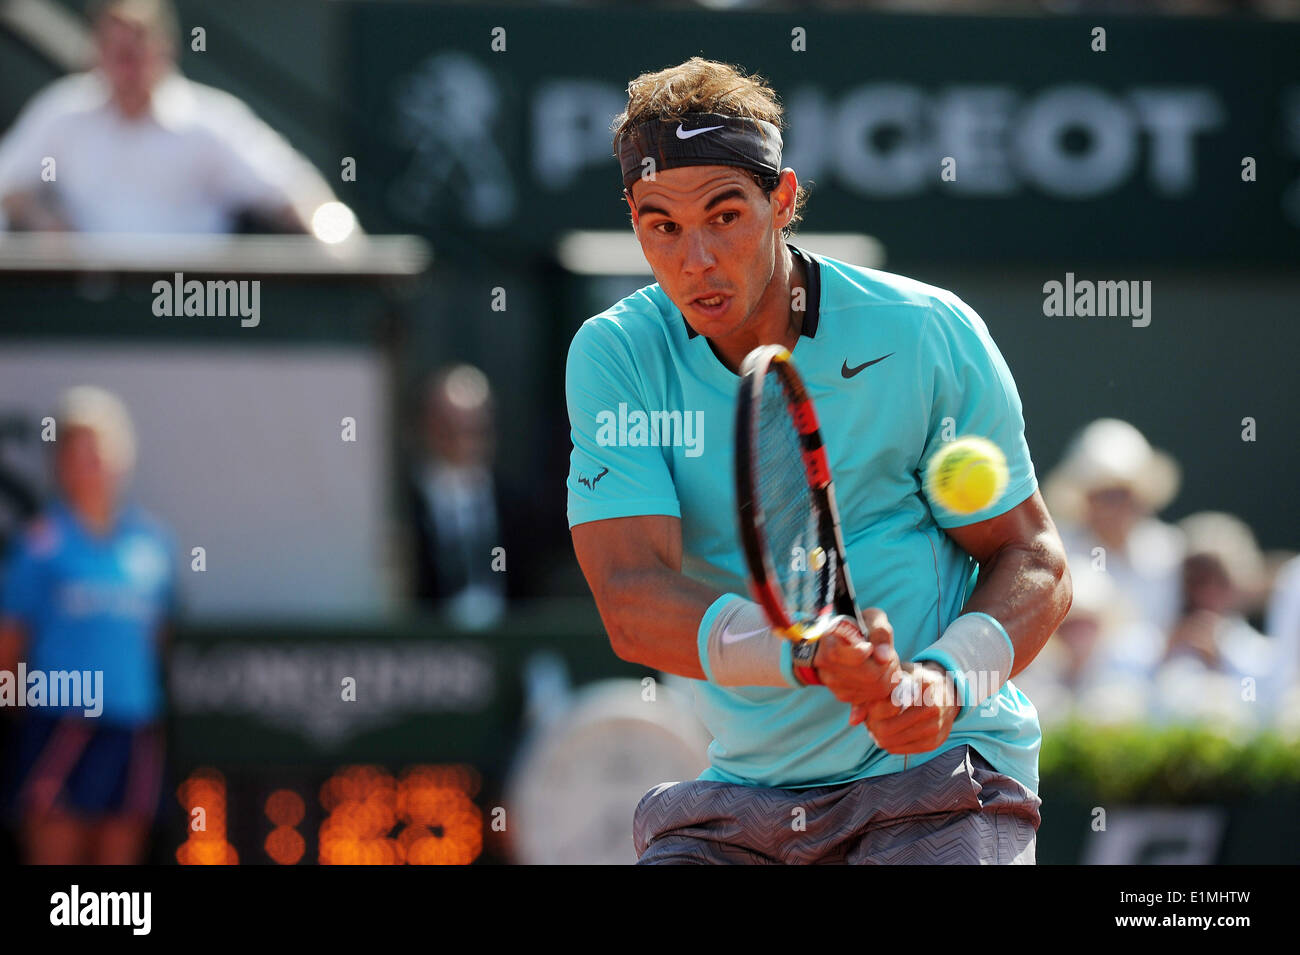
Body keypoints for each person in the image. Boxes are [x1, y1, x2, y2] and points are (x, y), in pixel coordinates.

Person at [565, 57, 1071, 865]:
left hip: (936, 781)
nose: (695, 258)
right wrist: (804, 654)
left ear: (783, 198)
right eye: (661, 225)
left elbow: (1035, 560)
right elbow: (631, 598)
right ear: (633, 218)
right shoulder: (617, 355)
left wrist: (945, 679)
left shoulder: (925, 333)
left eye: (725, 216)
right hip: (743, 799)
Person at [0, 386, 175, 864]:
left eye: (99, 451)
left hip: (131, 732)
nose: (90, 463)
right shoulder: (39, 547)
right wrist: (33, 716)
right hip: (57, 729)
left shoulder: (153, 546)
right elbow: (7, 654)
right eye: (76, 452)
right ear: (60, 465)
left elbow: (158, 640)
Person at [0, 0, 340, 234]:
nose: (125, 68)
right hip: (87, 317)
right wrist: (43, 222)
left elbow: (296, 193)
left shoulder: (212, 121)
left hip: (188, 317)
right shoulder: (62, 112)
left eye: (135, 52)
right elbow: (7, 186)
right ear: (98, 51)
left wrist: (344, 248)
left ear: (164, 49)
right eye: (114, 52)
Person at [1043, 418, 1185, 638]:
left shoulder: (1169, 551)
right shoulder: (1055, 552)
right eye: (1107, 495)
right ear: (1086, 499)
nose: (1121, 506)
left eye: (1127, 493)